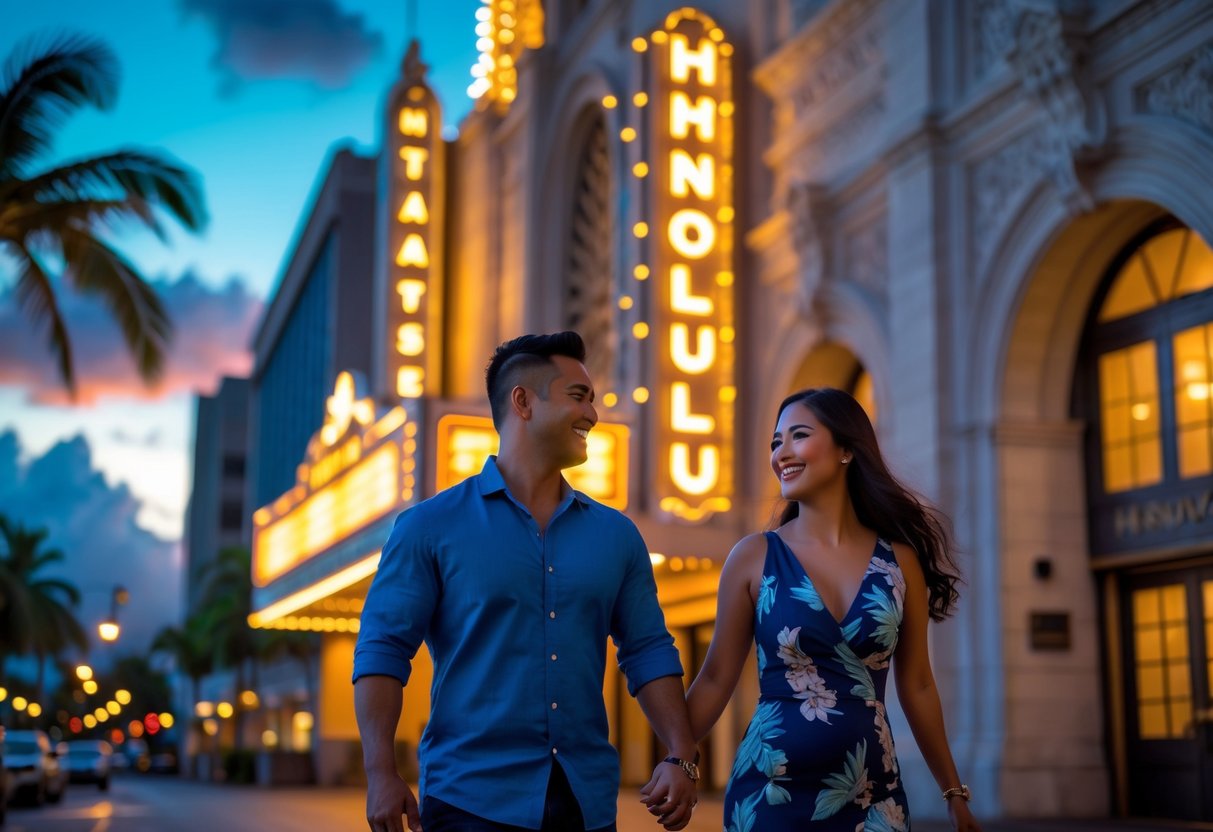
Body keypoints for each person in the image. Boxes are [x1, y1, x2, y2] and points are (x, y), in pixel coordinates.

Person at [354, 331, 699, 832]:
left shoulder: (617, 535)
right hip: (469, 801)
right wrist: (380, 772)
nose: (593, 415)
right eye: (578, 397)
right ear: (523, 402)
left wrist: (681, 754)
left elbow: (648, 650)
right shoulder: (428, 527)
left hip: (587, 803)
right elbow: (382, 652)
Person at [685, 387, 982, 832]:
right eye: (775, 442)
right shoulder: (753, 557)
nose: (781, 452)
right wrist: (677, 757)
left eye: (798, 436)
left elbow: (918, 684)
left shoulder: (900, 563)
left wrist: (954, 794)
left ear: (846, 449)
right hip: (769, 794)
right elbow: (713, 678)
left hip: (873, 797)